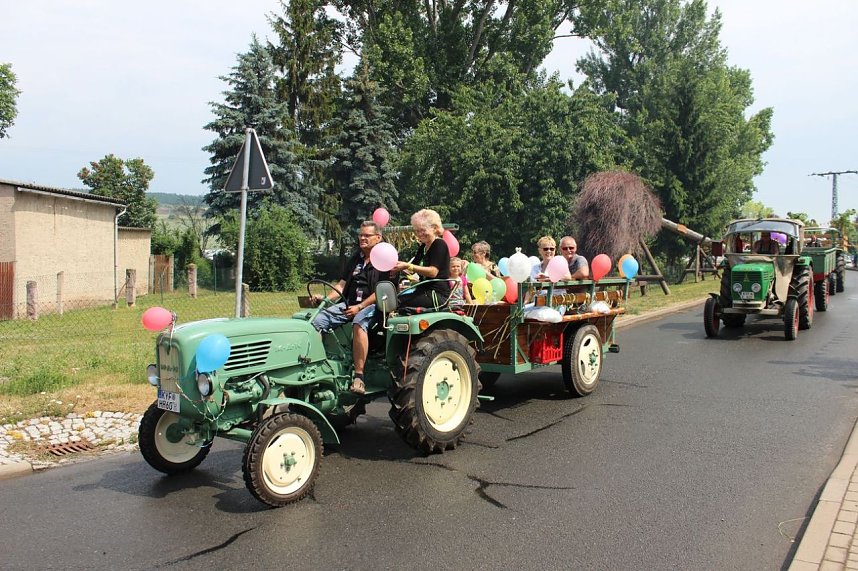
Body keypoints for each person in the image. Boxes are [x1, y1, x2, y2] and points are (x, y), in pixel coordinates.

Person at [311, 221, 390, 394]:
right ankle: (317, 366)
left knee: (359, 322)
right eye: (361, 235)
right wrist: (325, 299)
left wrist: (360, 307)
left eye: (367, 235)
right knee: (316, 320)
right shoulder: (356, 258)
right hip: (349, 304)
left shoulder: (385, 258)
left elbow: (381, 291)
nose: (362, 238)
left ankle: (359, 376)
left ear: (378, 237)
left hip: (374, 306)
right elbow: (341, 286)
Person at [393, 209, 451, 309]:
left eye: (423, 230)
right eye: (417, 231)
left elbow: (433, 272)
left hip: (436, 294)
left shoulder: (439, 244)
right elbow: (410, 270)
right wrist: (394, 266)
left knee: (395, 302)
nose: (420, 234)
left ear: (434, 228)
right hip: (422, 291)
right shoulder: (423, 247)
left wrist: (408, 266)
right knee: (391, 300)